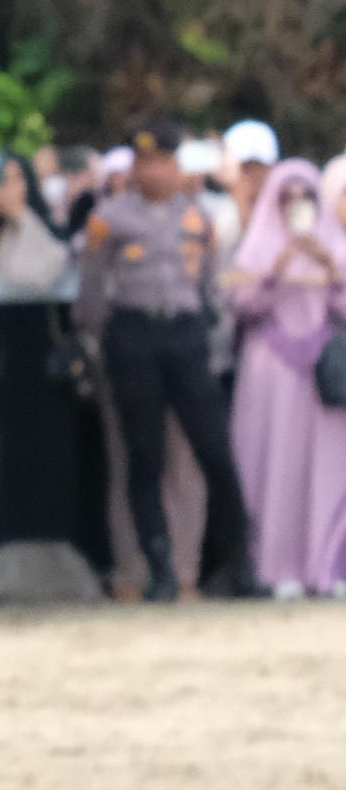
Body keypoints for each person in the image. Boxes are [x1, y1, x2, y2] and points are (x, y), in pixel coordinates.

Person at [80, 131, 259, 601]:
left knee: (215, 450)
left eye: (163, 160)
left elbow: (210, 285)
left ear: (177, 166)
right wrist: (108, 338)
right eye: (146, 161)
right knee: (145, 455)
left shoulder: (197, 217)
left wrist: (207, 334)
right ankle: (159, 568)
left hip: (185, 335)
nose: (154, 170)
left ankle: (242, 562)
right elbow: (92, 292)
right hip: (134, 335)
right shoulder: (109, 218)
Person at [0, 154, 104, 591]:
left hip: (47, 381)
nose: (9, 187)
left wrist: (20, 221)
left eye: (17, 178)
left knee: (52, 476)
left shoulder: (46, 233)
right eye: (0, 180)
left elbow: (40, 270)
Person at [225, 160, 346, 596]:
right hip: (271, 371)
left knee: (325, 470)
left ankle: (326, 565)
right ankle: (274, 567)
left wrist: (329, 267)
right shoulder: (255, 248)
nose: (297, 205)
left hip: (321, 372)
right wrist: (278, 269)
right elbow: (241, 304)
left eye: (307, 196)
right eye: (287, 197)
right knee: (274, 466)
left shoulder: (336, 245)